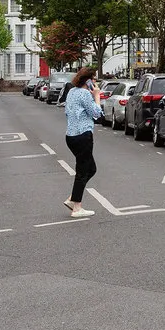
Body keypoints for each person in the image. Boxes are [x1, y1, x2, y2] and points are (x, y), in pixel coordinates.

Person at [63, 67, 102, 217]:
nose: (95, 82)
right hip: (83, 135)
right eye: (94, 79)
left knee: (90, 169)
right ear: (88, 81)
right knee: (82, 171)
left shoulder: (72, 91)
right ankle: (77, 208)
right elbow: (97, 113)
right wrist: (97, 96)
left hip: (71, 136)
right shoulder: (85, 93)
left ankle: (73, 199)